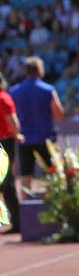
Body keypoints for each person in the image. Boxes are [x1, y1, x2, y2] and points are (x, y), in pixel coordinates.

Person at [10, 57, 64, 192]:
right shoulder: (49, 90)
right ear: (40, 70)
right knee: (51, 173)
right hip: (45, 138)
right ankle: (53, 204)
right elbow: (58, 114)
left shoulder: (15, 91)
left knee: (25, 175)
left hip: (24, 138)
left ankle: (25, 207)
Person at [0, 71, 22, 234]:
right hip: (5, 142)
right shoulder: (5, 98)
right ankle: (17, 221)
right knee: (7, 182)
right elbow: (13, 121)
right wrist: (17, 135)